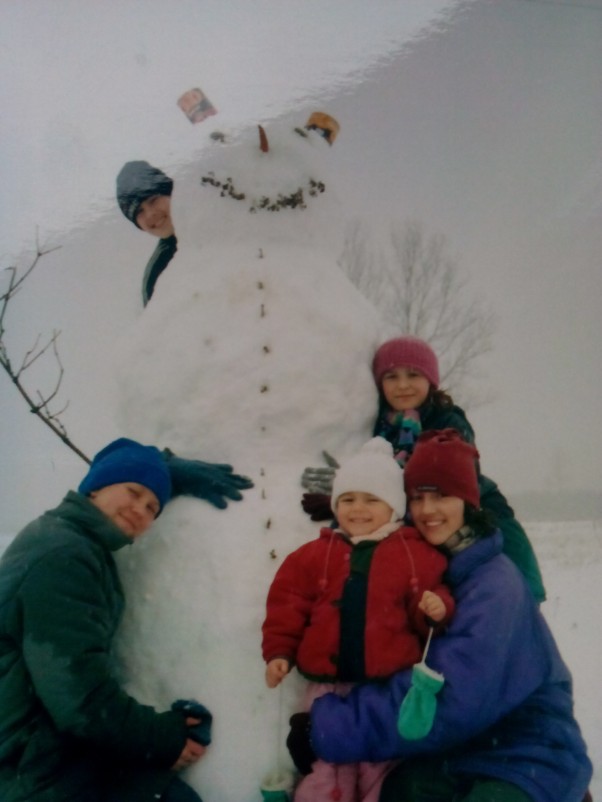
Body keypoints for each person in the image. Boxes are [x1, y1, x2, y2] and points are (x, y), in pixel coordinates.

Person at [288, 430, 592, 802]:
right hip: (461, 750)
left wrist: (327, 726)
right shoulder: (433, 566)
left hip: (525, 751)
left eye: (442, 496)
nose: (428, 510)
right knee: (399, 792)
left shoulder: (494, 586)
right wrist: (353, 511)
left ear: (468, 501)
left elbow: (445, 700)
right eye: (418, 497)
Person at [0, 438, 211, 802]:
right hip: (27, 766)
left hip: (45, 747)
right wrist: (164, 736)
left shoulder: (67, 538)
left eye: (153, 507)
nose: (140, 510)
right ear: (95, 486)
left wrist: (160, 471)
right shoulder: (64, 557)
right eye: (133, 492)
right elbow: (78, 699)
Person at [263, 437, 455, 802]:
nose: (358, 509)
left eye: (372, 499)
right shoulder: (314, 555)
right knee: (324, 768)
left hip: (386, 689)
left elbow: (435, 595)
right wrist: (279, 653)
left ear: (395, 507)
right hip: (326, 689)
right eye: (348, 499)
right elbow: (287, 604)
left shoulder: (415, 554)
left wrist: (436, 608)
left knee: (379, 768)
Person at [302, 335, 546, 603]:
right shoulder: (376, 425)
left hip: (471, 508)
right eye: (391, 376)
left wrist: (357, 487)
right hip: (416, 513)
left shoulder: (448, 422)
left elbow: (434, 480)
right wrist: (349, 499)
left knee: (500, 586)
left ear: (430, 380)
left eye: (413, 375)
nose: (403, 385)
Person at [116, 160, 178, 305]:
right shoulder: (157, 273)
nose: (150, 214)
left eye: (153, 200)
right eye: (139, 211)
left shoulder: (219, 221)